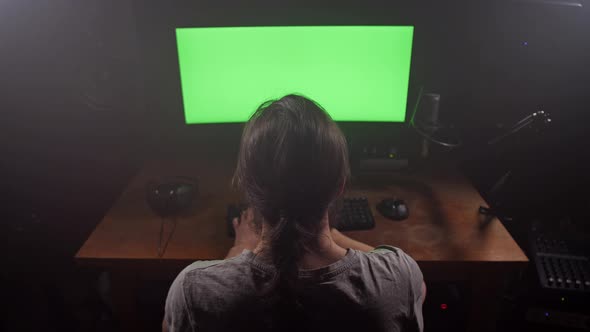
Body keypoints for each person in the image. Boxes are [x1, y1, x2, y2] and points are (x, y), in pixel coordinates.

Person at [163, 95, 426, 332]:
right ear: (339, 187)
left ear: (248, 188)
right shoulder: (399, 277)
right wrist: (333, 238)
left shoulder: (193, 292)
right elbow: (414, 286)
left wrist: (239, 249)